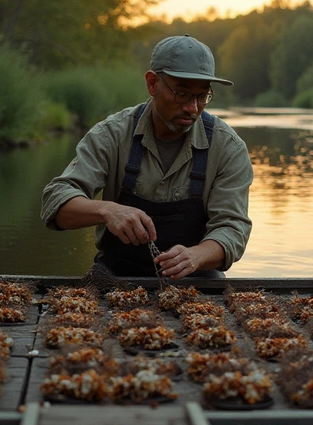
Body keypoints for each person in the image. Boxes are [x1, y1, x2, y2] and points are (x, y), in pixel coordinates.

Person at [41, 34, 253, 279]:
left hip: (198, 283)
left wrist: (197, 255)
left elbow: (233, 228)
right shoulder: (111, 134)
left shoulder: (228, 147)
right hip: (114, 278)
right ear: (153, 84)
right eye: (182, 94)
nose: (192, 108)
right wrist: (106, 210)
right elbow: (55, 203)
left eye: (202, 96)